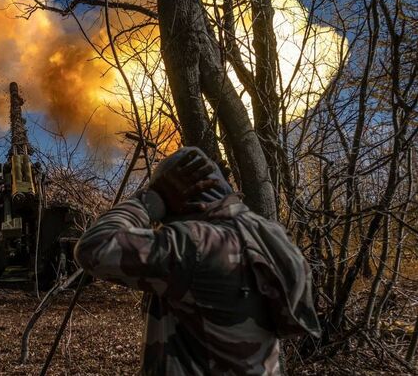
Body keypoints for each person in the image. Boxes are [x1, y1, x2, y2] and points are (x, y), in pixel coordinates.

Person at [74, 147, 320, 375]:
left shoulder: (198, 244)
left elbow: (94, 247)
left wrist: (151, 199)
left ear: (180, 195)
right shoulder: (267, 235)